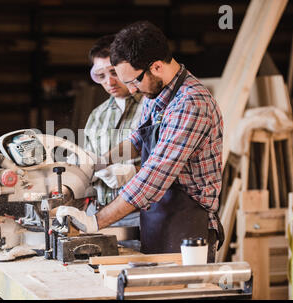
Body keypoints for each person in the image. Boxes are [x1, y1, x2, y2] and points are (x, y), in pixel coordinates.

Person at [56, 21, 224, 262]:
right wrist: (98, 164)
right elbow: (136, 139)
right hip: (157, 217)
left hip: (188, 224)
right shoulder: (155, 95)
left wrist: (95, 221)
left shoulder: (191, 103)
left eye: (134, 81)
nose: (132, 90)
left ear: (156, 66)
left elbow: (155, 175)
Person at [82, 35, 144, 227]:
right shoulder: (96, 116)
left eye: (114, 72)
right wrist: (83, 168)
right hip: (100, 213)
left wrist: (134, 173)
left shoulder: (150, 108)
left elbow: (169, 166)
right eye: (101, 76)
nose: (109, 82)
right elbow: (88, 165)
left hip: (139, 215)